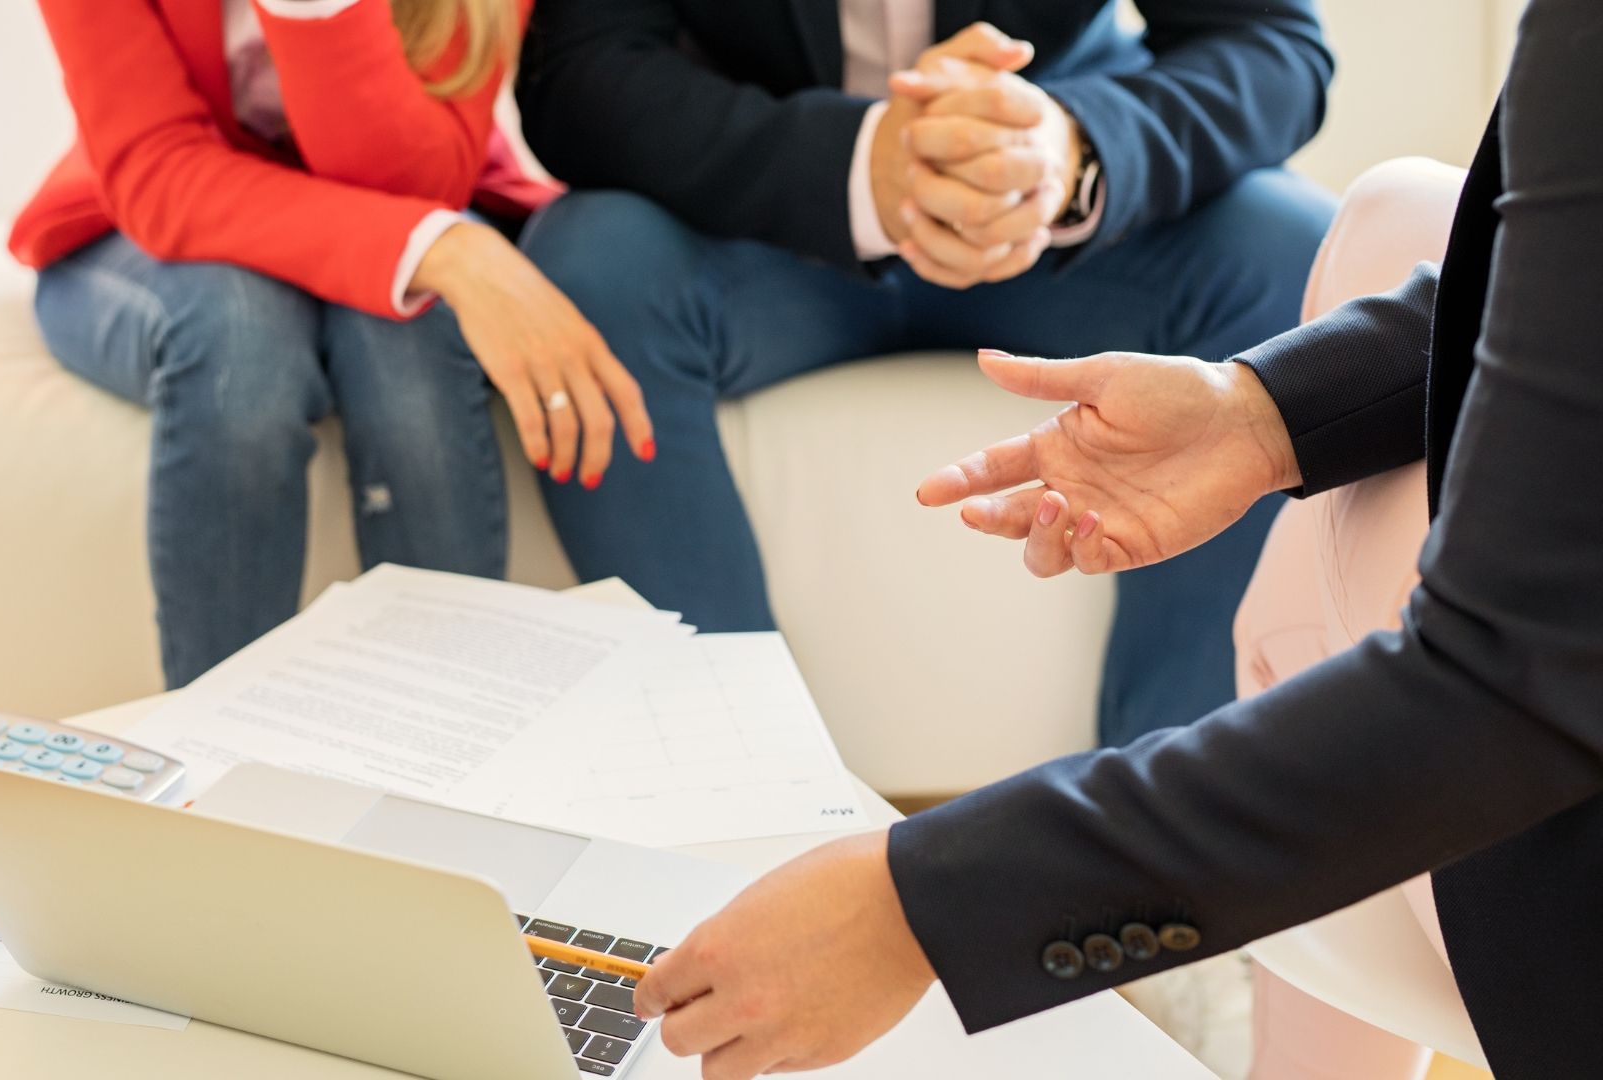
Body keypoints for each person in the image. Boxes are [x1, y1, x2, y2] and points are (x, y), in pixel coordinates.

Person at [626, 1, 1603, 1077]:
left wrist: (922, 907)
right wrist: (1259, 412)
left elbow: (1512, 680)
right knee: (1399, 218)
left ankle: (1191, 942)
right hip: (772, 227)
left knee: (1316, 600)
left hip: (1550, 916)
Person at [514, 0, 1339, 747]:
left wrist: (1073, 147)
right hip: (760, 213)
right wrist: (857, 162)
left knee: (1290, 248)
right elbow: (578, 72)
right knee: (589, 263)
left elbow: (1273, 44)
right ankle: (734, 785)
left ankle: (1170, 829)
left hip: (1055, 221)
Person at [11, 0, 651, 687]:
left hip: (399, 198)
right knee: (244, 341)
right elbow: (161, 174)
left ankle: (443, 745)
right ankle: (211, 772)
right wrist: (445, 250)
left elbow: (415, 187)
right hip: (146, 225)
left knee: (407, 333)